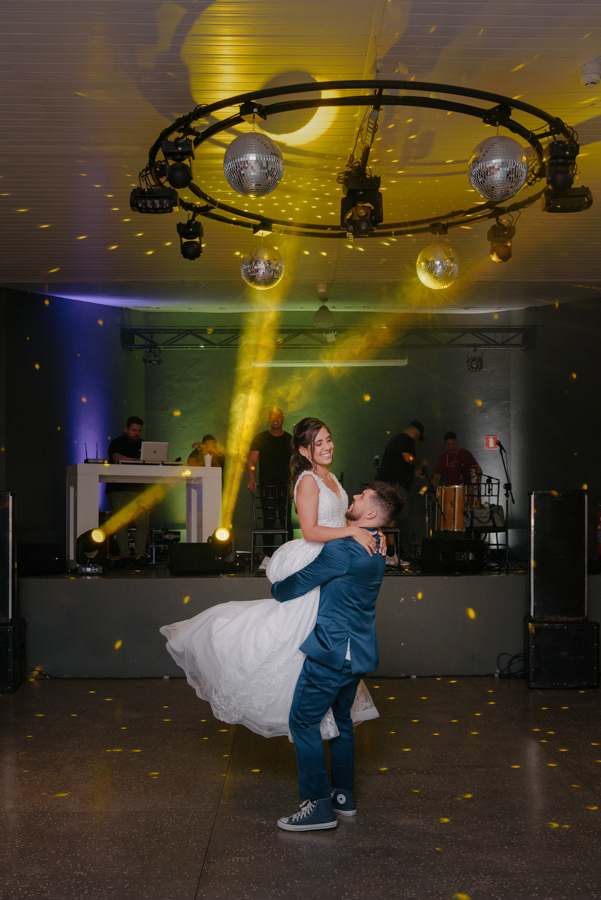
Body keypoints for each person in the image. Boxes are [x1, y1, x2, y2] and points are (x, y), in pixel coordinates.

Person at [160, 417, 385, 740]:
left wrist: (371, 532)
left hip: (336, 557)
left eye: (329, 439)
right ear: (305, 451)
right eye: (318, 443)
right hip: (317, 555)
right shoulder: (307, 481)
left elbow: (350, 516)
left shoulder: (333, 477)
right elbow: (310, 530)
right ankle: (304, 708)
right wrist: (351, 530)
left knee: (324, 634)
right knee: (300, 634)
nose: (327, 447)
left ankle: (323, 708)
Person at [273, 482, 405, 832]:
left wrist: (274, 586)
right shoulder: (378, 542)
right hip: (358, 651)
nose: (354, 498)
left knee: (303, 722)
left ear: (372, 514)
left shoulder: (344, 548)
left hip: (333, 650)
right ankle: (342, 795)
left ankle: (318, 806)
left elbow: (300, 582)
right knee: (342, 721)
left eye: (361, 497)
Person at [377, 420, 425, 566]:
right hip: (395, 487)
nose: (417, 441)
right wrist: (421, 462)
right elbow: (408, 458)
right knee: (392, 519)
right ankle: (390, 554)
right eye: (418, 437)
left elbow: (399, 464)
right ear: (417, 432)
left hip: (392, 485)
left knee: (393, 519)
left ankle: (391, 554)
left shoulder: (397, 440)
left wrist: (413, 473)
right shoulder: (405, 439)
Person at [247, 407, 293, 552]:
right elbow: (251, 461)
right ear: (268, 419)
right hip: (267, 487)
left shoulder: (289, 439)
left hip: (285, 488)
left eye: (278, 416)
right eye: (272, 416)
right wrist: (252, 478)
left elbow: (296, 463)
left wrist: (297, 482)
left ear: (283, 419)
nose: (275, 418)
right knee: (269, 521)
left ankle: (290, 554)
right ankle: (268, 555)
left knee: (286, 523)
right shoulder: (260, 438)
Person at [105, 416, 149, 563]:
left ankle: (139, 555)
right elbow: (116, 457)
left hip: (138, 488)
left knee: (143, 522)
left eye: (139, 431)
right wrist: (138, 461)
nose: (136, 433)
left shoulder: (144, 445)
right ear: (126, 429)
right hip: (118, 488)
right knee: (121, 523)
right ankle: (124, 556)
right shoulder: (117, 442)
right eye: (133, 430)